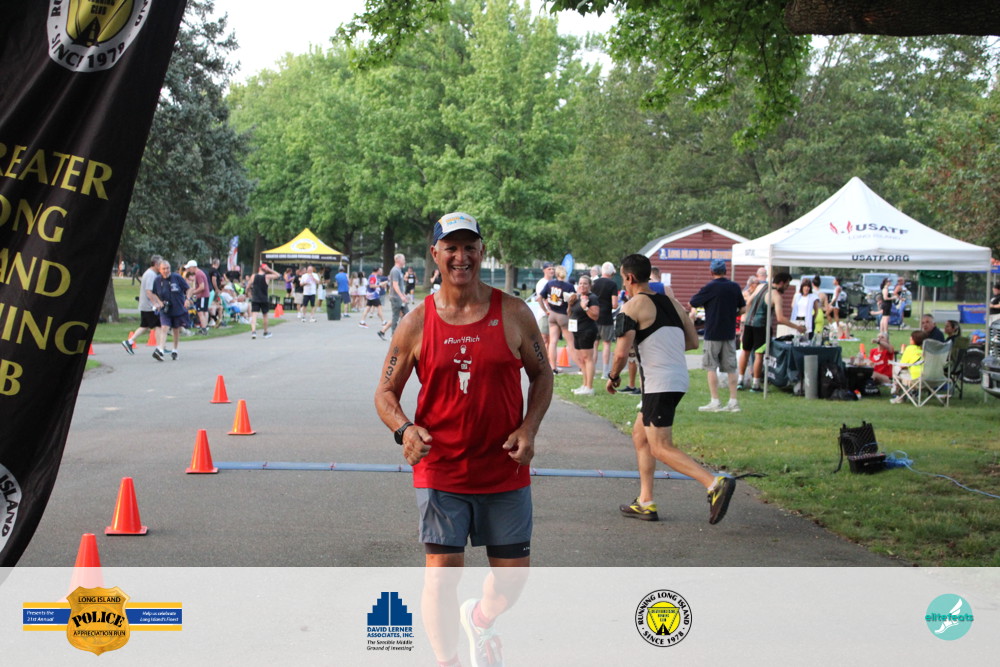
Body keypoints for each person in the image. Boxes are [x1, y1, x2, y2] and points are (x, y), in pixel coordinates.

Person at [374, 212, 552, 667]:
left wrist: (529, 428)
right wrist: (404, 429)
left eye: (469, 246)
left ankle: (480, 618)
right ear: (435, 254)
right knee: (441, 576)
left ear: (481, 251)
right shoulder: (416, 323)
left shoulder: (513, 313)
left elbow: (542, 374)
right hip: (441, 469)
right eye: (450, 248)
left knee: (513, 578)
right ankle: (447, 660)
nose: (461, 256)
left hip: (504, 468)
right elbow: (385, 392)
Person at [605, 253, 736, 524]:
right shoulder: (672, 303)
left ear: (629, 277)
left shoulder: (631, 307)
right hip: (676, 379)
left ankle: (714, 484)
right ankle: (645, 501)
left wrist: (613, 376)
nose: (623, 282)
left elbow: (620, 353)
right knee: (640, 436)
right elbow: (692, 342)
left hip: (658, 383)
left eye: (623, 278)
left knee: (660, 447)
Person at [689, 258, 745, 413]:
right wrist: (733, 314)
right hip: (729, 333)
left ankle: (715, 401)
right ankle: (733, 402)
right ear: (725, 271)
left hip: (713, 332)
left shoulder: (709, 287)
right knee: (731, 368)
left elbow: (692, 302)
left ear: (711, 271)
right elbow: (743, 308)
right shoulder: (734, 287)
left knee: (711, 367)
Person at [742, 272, 804, 392]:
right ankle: (755, 384)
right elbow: (780, 318)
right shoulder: (776, 296)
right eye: (787, 285)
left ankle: (740, 381)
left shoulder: (760, 286)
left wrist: (746, 318)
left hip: (749, 323)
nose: (787, 288)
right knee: (759, 354)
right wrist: (797, 327)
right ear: (781, 283)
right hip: (761, 326)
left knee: (746, 351)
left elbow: (749, 302)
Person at [121, 254, 163, 354]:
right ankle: (160, 348)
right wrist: (155, 303)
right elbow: (149, 291)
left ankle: (129, 342)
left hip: (145, 305)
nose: (162, 266)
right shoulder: (151, 275)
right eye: (161, 264)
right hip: (149, 306)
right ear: (156, 264)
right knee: (159, 325)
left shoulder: (150, 273)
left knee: (145, 326)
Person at [566, 274, 599, 395]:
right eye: (580, 283)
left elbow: (595, 316)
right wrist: (570, 303)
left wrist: (585, 308)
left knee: (587, 359)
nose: (582, 286)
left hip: (587, 331)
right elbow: (569, 313)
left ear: (590, 285)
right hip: (576, 330)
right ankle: (584, 385)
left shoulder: (592, 298)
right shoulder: (577, 297)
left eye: (585, 283)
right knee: (581, 359)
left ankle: (589, 387)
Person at [151, 261, 190, 361]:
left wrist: (187, 299)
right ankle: (160, 350)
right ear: (160, 270)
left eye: (167, 268)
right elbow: (154, 293)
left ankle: (175, 350)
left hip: (177, 308)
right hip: (165, 309)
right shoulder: (157, 280)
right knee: (164, 327)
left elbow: (188, 289)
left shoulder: (177, 277)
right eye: (163, 269)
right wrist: (159, 302)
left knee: (176, 329)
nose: (166, 270)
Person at [540, 265, 575, 372]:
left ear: (556, 273)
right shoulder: (569, 286)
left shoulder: (550, 284)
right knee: (571, 342)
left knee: (553, 342)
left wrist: (546, 310)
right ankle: (581, 366)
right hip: (563, 315)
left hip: (552, 314)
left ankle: (553, 367)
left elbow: (539, 297)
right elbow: (573, 301)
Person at [591, 261, 619, 379]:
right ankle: (605, 372)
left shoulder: (594, 283)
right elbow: (614, 304)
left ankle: (592, 371)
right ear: (612, 273)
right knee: (606, 344)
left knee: (594, 344)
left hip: (593, 317)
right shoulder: (612, 284)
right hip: (606, 317)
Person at [378, 253, 409, 341]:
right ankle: (393, 335)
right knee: (396, 316)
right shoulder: (395, 270)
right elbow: (395, 285)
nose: (404, 261)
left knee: (406, 315)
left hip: (399, 297)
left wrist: (403, 295)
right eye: (403, 259)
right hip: (396, 297)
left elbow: (400, 285)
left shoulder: (399, 270)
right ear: (399, 260)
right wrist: (401, 296)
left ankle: (384, 331)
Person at [891, 329, 927, 403]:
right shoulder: (927, 350)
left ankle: (898, 393)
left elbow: (902, 365)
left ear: (913, 340)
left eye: (911, 338)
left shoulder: (910, 348)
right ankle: (912, 393)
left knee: (896, 368)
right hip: (930, 379)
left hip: (915, 380)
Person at [249, 263, 280, 339]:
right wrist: (270, 270)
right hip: (264, 298)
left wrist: (248, 292)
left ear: (259, 268)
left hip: (255, 298)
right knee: (265, 316)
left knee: (254, 315)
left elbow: (248, 285)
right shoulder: (267, 276)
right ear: (265, 270)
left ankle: (253, 332)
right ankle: (265, 332)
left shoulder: (253, 276)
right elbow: (278, 275)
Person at [183, 260, 210, 335]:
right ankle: (205, 327)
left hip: (202, 296)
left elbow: (202, 287)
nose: (188, 270)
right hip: (205, 295)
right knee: (204, 312)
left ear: (193, 267)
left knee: (200, 312)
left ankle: (204, 329)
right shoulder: (200, 273)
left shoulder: (198, 274)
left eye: (189, 268)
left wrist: (193, 293)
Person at [533, 261, 555, 350]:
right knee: (544, 338)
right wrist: (546, 311)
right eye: (549, 269)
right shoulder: (542, 283)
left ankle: (550, 356)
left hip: (554, 313)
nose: (552, 271)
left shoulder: (555, 282)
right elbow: (540, 298)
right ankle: (543, 356)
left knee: (552, 339)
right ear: (544, 270)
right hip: (544, 314)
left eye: (553, 269)